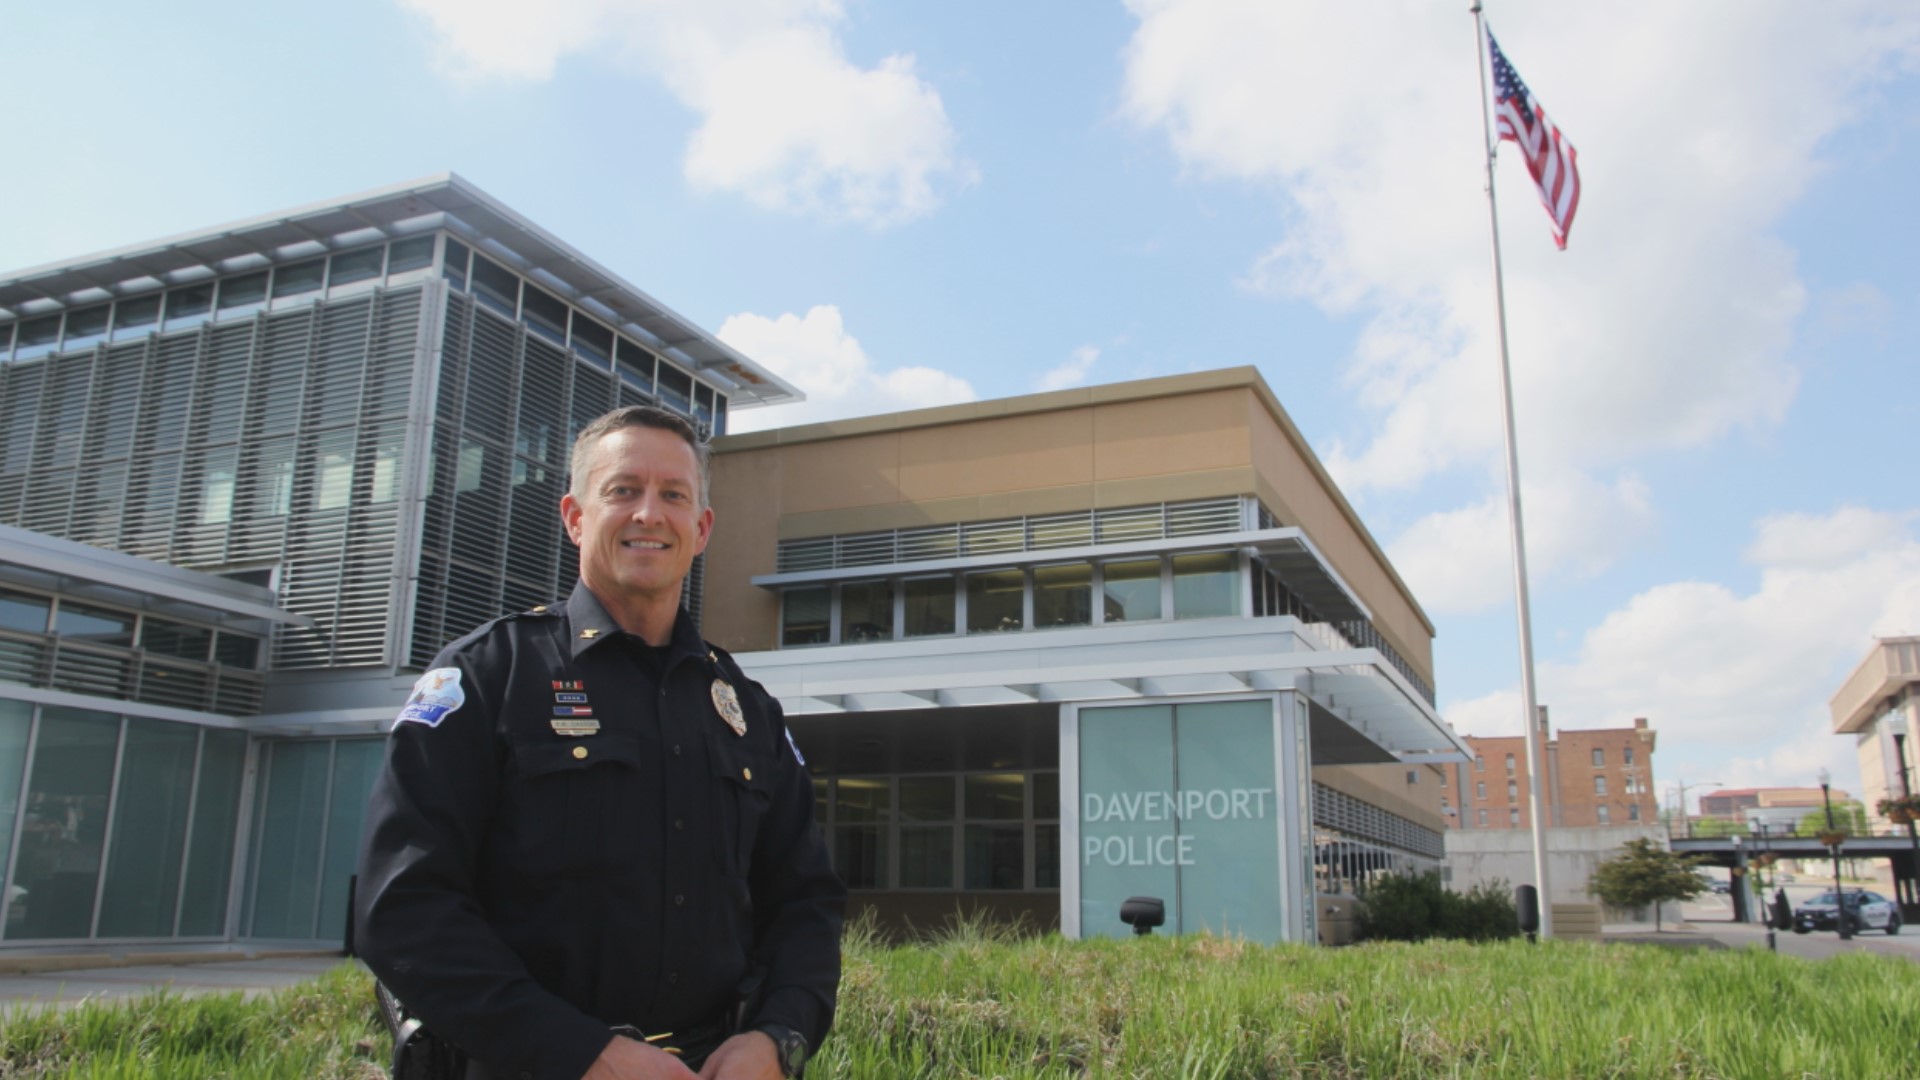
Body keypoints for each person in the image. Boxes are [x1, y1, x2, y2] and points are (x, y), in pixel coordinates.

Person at [356, 405, 845, 1080]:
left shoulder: (747, 712)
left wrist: (778, 1036)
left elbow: (806, 903)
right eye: (623, 490)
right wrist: (580, 1053)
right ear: (575, 516)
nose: (649, 513)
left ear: (700, 529)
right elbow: (404, 907)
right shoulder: (487, 676)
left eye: (673, 495)